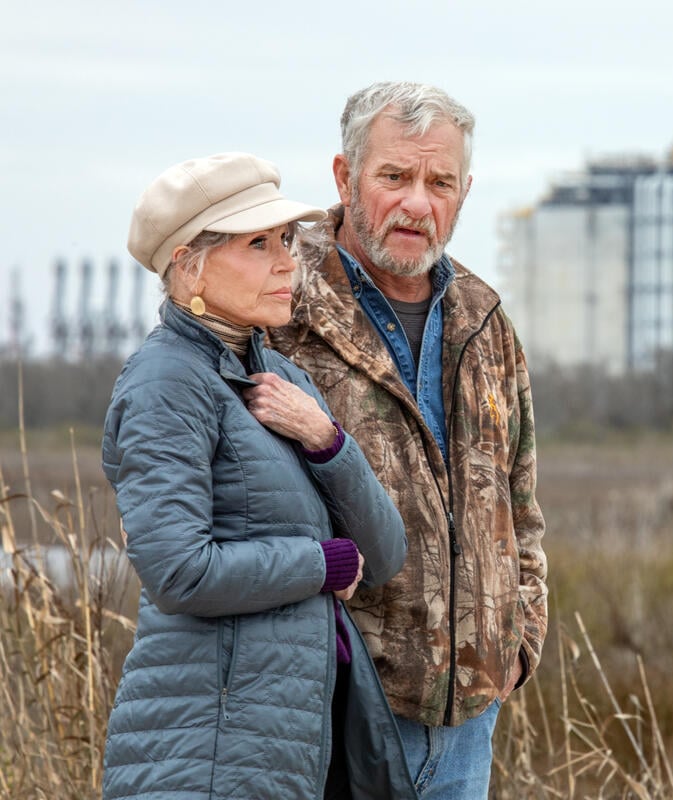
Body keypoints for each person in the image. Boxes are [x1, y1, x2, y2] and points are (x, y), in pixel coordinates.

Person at [103, 152, 418, 799]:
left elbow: (384, 555)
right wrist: (319, 563)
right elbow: (179, 572)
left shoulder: (282, 381)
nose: (286, 262)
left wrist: (327, 440)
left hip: (284, 745)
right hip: (205, 751)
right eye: (258, 244)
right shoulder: (168, 382)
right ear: (190, 262)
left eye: (286, 241)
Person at [270, 82, 548, 798]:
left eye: (440, 182)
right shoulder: (279, 307)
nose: (417, 203)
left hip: (466, 722)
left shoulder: (484, 319)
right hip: (331, 716)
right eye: (394, 176)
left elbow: (520, 502)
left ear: (464, 192)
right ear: (344, 176)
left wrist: (521, 639)